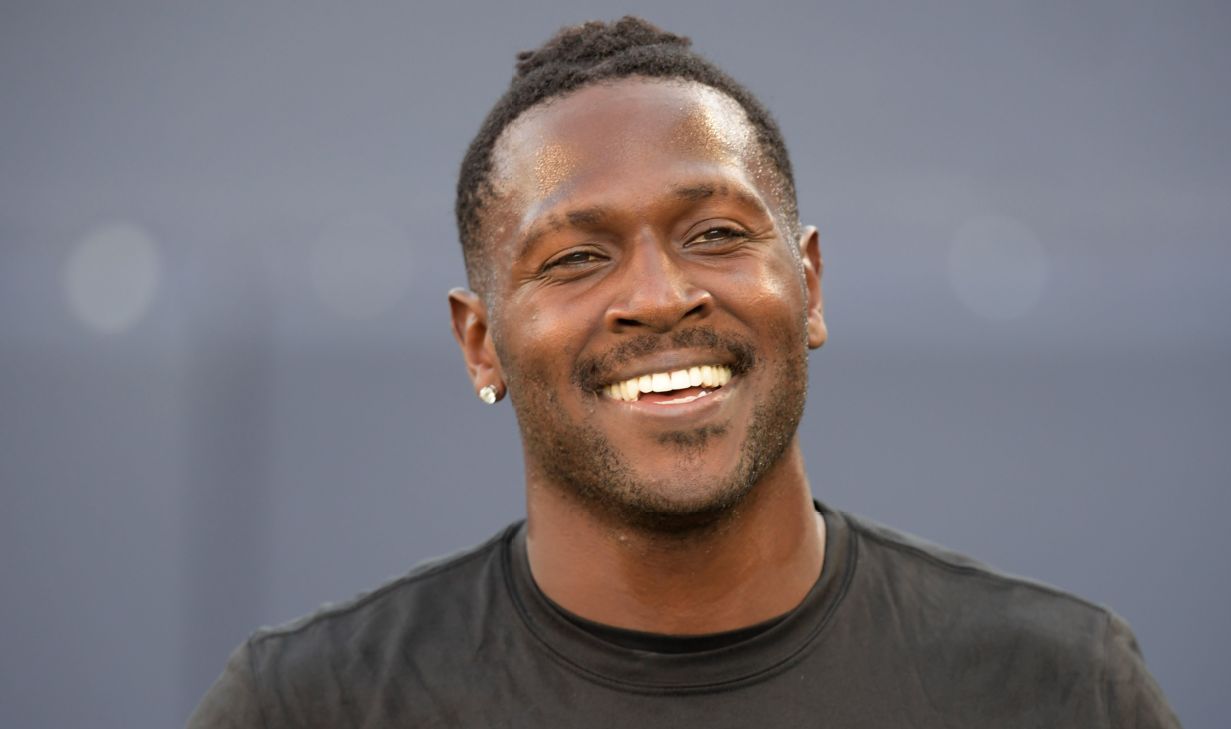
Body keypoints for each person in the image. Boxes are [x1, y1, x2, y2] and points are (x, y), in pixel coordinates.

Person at [188, 17, 1180, 728]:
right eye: (576, 257)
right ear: (480, 341)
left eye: (714, 234)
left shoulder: (1054, 688)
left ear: (809, 284)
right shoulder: (314, 706)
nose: (661, 297)